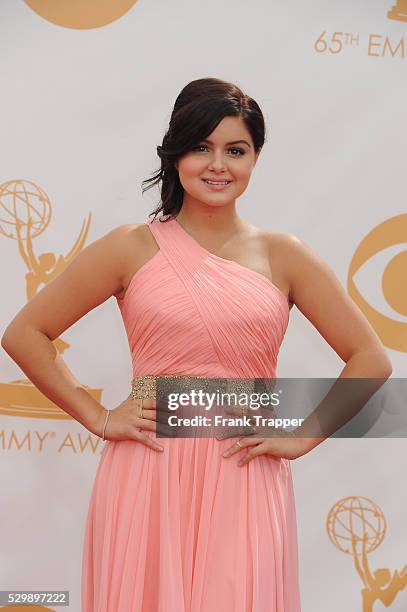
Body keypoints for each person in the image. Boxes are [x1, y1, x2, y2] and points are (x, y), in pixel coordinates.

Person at [1, 77, 392, 612]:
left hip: (244, 469)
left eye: (236, 150)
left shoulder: (285, 255)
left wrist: (304, 435)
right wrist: (98, 416)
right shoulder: (129, 247)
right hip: (148, 467)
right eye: (201, 147)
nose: (218, 165)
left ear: (256, 158)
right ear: (176, 153)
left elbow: (371, 358)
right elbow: (25, 334)